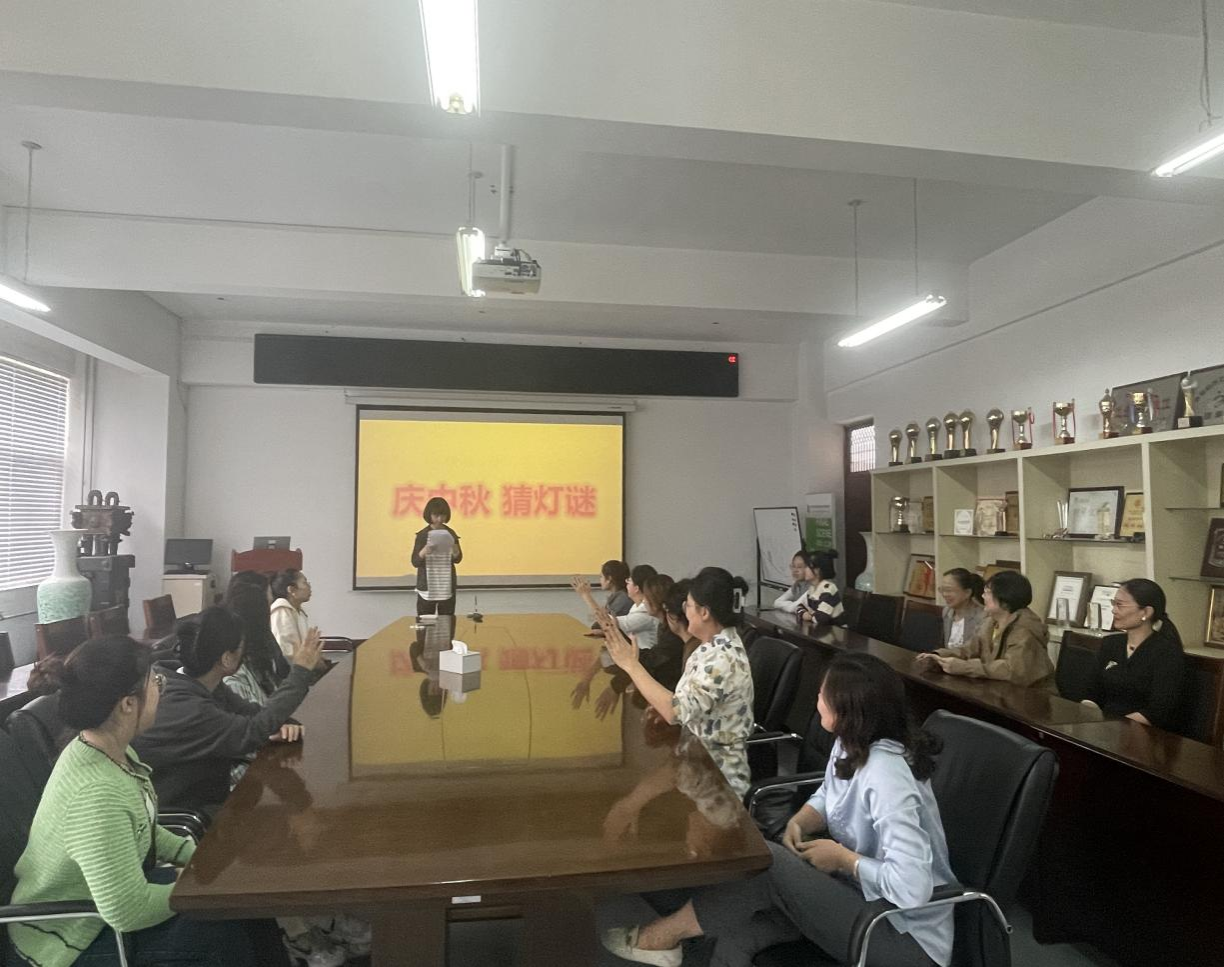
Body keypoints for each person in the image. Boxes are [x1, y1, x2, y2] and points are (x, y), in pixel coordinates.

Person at [601, 652, 954, 967]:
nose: (817, 699)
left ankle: (662, 937)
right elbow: (831, 793)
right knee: (742, 934)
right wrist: (801, 820)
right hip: (857, 895)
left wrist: (844, 859)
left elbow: (913, 888)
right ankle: (672, 942)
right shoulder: (852, 743)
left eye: (823, 694)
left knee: (768, 862)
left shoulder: (886, 775)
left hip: (901, 936)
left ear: (847, 709)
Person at [5, 635, 268, 967]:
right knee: (218, 934)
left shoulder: (109, 750)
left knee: (240, 904)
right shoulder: (97, 792)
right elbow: (127, 911)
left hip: (104, 903)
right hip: (66, 940)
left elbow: (144, 825)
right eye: (155, 682)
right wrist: (197, 888)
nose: (161, 689)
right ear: (127, 704)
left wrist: (198, 859)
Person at [132, 606, 323, 818]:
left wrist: (282, 723)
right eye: (241, 647)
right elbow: (253, 731)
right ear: (227, 659)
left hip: (210, 797)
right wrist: (301, 672)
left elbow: (253, 714)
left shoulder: (203, 683)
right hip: (188, 813)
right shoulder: (186, 706)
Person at [601, 567, 754, 796]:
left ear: (704, 612)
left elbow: (675, 712)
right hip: (693, 761)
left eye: (688, 606)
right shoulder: (712, 645)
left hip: (716, 781)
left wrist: (631, 665)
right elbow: (686, 702)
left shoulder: (720, 659)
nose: (684, 612)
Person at [916, 569, 1053, 687]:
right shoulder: (990, 621)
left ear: (1005, 598)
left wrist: (965, 667)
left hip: (1030, 698)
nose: (982, 596)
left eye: (987, 593)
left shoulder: (1024, 629)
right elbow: (969, 649)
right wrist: (938, 656)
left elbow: (1011, 670)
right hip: (998, 692)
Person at [1081, 578, 1185, 731]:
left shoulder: (1167, 652)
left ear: (1146, 612)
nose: (1113, 610)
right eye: (1113, 603)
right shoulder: (1111, 643)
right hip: (1105, 728)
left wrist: (1114, 728)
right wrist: (1086, 718)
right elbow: (1091, 691)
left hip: (1145, 733)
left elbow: (1158, 711)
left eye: (1120, 605)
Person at [571, 564, 661, 707]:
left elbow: (606, 623)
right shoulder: (636, 607)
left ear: (637, 588)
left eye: (629, 581)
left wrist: (586, 595)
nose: (626, 583)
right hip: (637, 669)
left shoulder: (644, 612)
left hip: (648, 670)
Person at [598, 575, 684, 720]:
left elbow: (653, 660)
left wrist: (625, 651)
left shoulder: (671, 634)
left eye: (646, 598)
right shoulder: (663, 627)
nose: (644, 602)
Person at [410, 496, 463, 616]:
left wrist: (455, 551)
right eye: (436, 515)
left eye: (443, 515)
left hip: (446, 586)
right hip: (428, 587)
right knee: (425, 621)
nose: (440, 519)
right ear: (429, 515)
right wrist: (424, 551)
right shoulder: (422, 535)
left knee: (447, 621)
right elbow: (415, 562)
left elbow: (458, 559)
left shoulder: (451, 533)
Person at [270, 569, 314, 661]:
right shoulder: (281, 610)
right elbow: (286, 651)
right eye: (305, 583)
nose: (309, 586)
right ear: (291, 590)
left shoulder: (298, 611)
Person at [939, 568, 987, 649]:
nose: (944, 594)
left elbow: (977, 651)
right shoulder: (947, 612)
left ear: (967, 593)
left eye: (948, 590)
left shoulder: (982, 617)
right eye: (942, 590)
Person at [796, 550, 844, 627]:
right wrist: (803, 614)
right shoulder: (812, 588)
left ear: (817, 570)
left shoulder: (829, 589)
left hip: (836, 630)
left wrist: (807, 615)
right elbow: (800, 606)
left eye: (807, 567)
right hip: (820, 629)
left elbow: (820, 618)